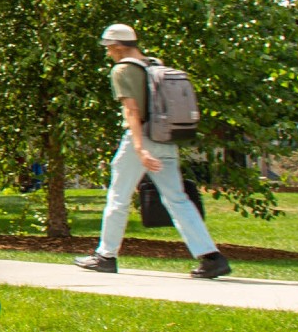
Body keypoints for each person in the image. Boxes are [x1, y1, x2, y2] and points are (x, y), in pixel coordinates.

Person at [73, 24, 229, 279]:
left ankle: (105, 256)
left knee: (118, 197)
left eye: (110, 48)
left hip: (141, 139)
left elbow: (132, 111)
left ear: (119, 46)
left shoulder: (122, 70)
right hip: (166, 138)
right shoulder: (154, 64)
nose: (108, 53)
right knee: (177, 199)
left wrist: (139, 148)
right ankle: (211, 257)